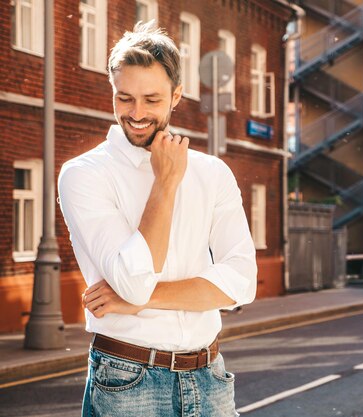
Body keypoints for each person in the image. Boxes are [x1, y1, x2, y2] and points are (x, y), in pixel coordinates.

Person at [58, 22, 256, 417]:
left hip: (211, 378)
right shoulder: (84, 174)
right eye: (124, 98)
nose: (136, 114)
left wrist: (142, 301)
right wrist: (165, 183)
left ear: (176, 96)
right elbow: (132, 280)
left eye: (151, 99)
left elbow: (243, 281)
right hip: (129, 381)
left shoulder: (212, 172)